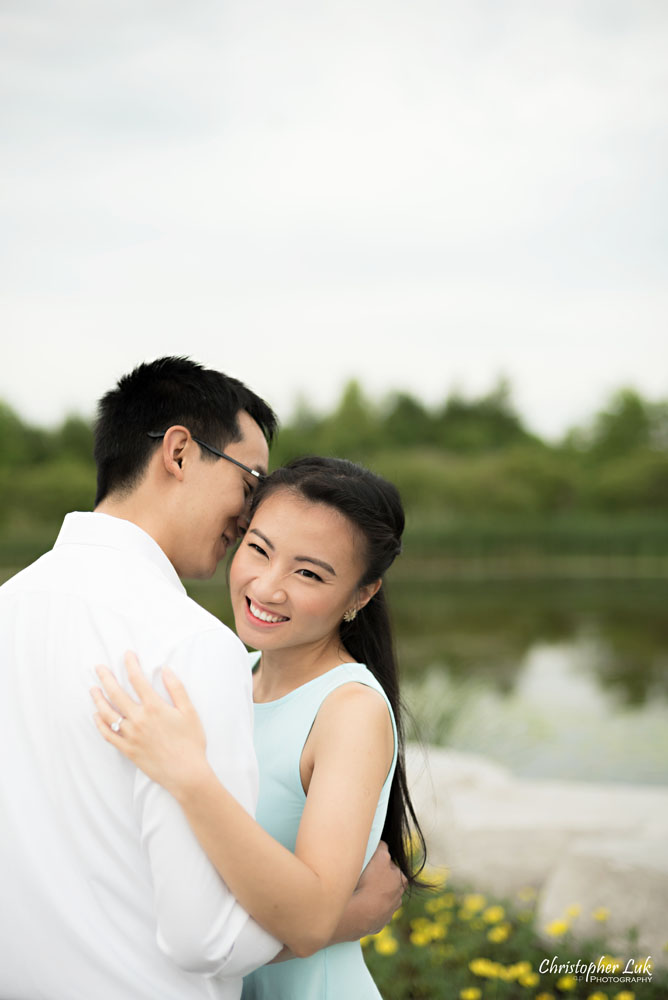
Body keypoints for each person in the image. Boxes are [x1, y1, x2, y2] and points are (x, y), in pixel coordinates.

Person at [0, 358, 402, 1000]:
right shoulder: (196, 647)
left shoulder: (10, 607)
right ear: (180, 453)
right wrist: (341, 920)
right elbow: (203, 939)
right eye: (249, 483)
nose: (245, 511)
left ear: (361, 593)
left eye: (311, 572)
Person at [90, 456, 427, 999]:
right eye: (258, 549)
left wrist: (188, 777)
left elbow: (310, 918)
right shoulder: (232, 676)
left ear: (361, 596)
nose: (268, 587)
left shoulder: (349, 709)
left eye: (309, 573)